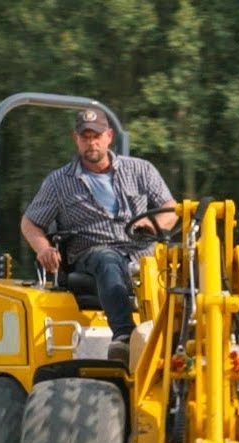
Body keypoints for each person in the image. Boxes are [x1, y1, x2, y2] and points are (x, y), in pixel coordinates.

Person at [21, 107, 177, 363]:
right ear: (76, 139)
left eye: (96, 136)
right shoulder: (59, 182)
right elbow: (30, 222)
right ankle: (124, 338)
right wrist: (43, 248)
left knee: (187, 261)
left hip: (143, 255)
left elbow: (171, 208)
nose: (91, 142)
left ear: (109, 136)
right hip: (91, 256)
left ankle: (186, 337)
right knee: (107, 259)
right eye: (85, 137)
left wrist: (155, 223)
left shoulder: (140, 170)